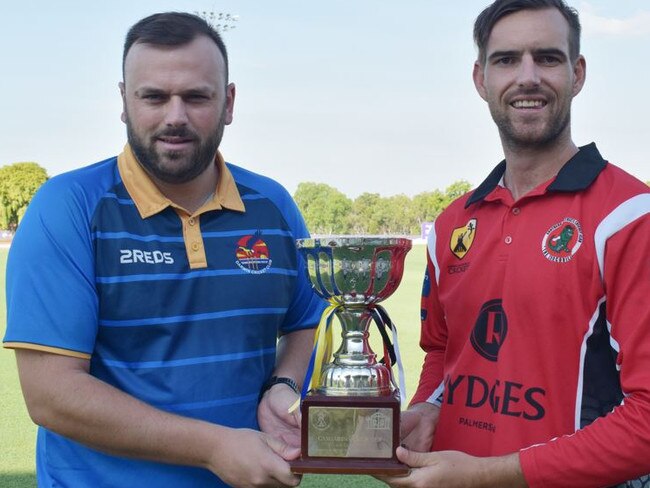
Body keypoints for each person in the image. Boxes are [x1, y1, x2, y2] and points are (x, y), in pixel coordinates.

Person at [3, 12, 326, 488]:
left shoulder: (272, 205)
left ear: (229, 102)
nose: (175, 116)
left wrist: (283, 384)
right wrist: (213, 446)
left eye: (196, 96)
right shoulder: (69, 207)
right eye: (154, 96)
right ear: (124, 102)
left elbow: (305, 321)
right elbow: (51, 395)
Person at [383, 1, 650, 487]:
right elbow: (443, 352)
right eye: (506, 60)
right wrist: (425, 409)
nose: (527, 77)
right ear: (481, 79)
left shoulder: (631, 216)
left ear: (578, 73)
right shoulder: (452, 224)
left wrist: (490, 474)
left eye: (547, 57)